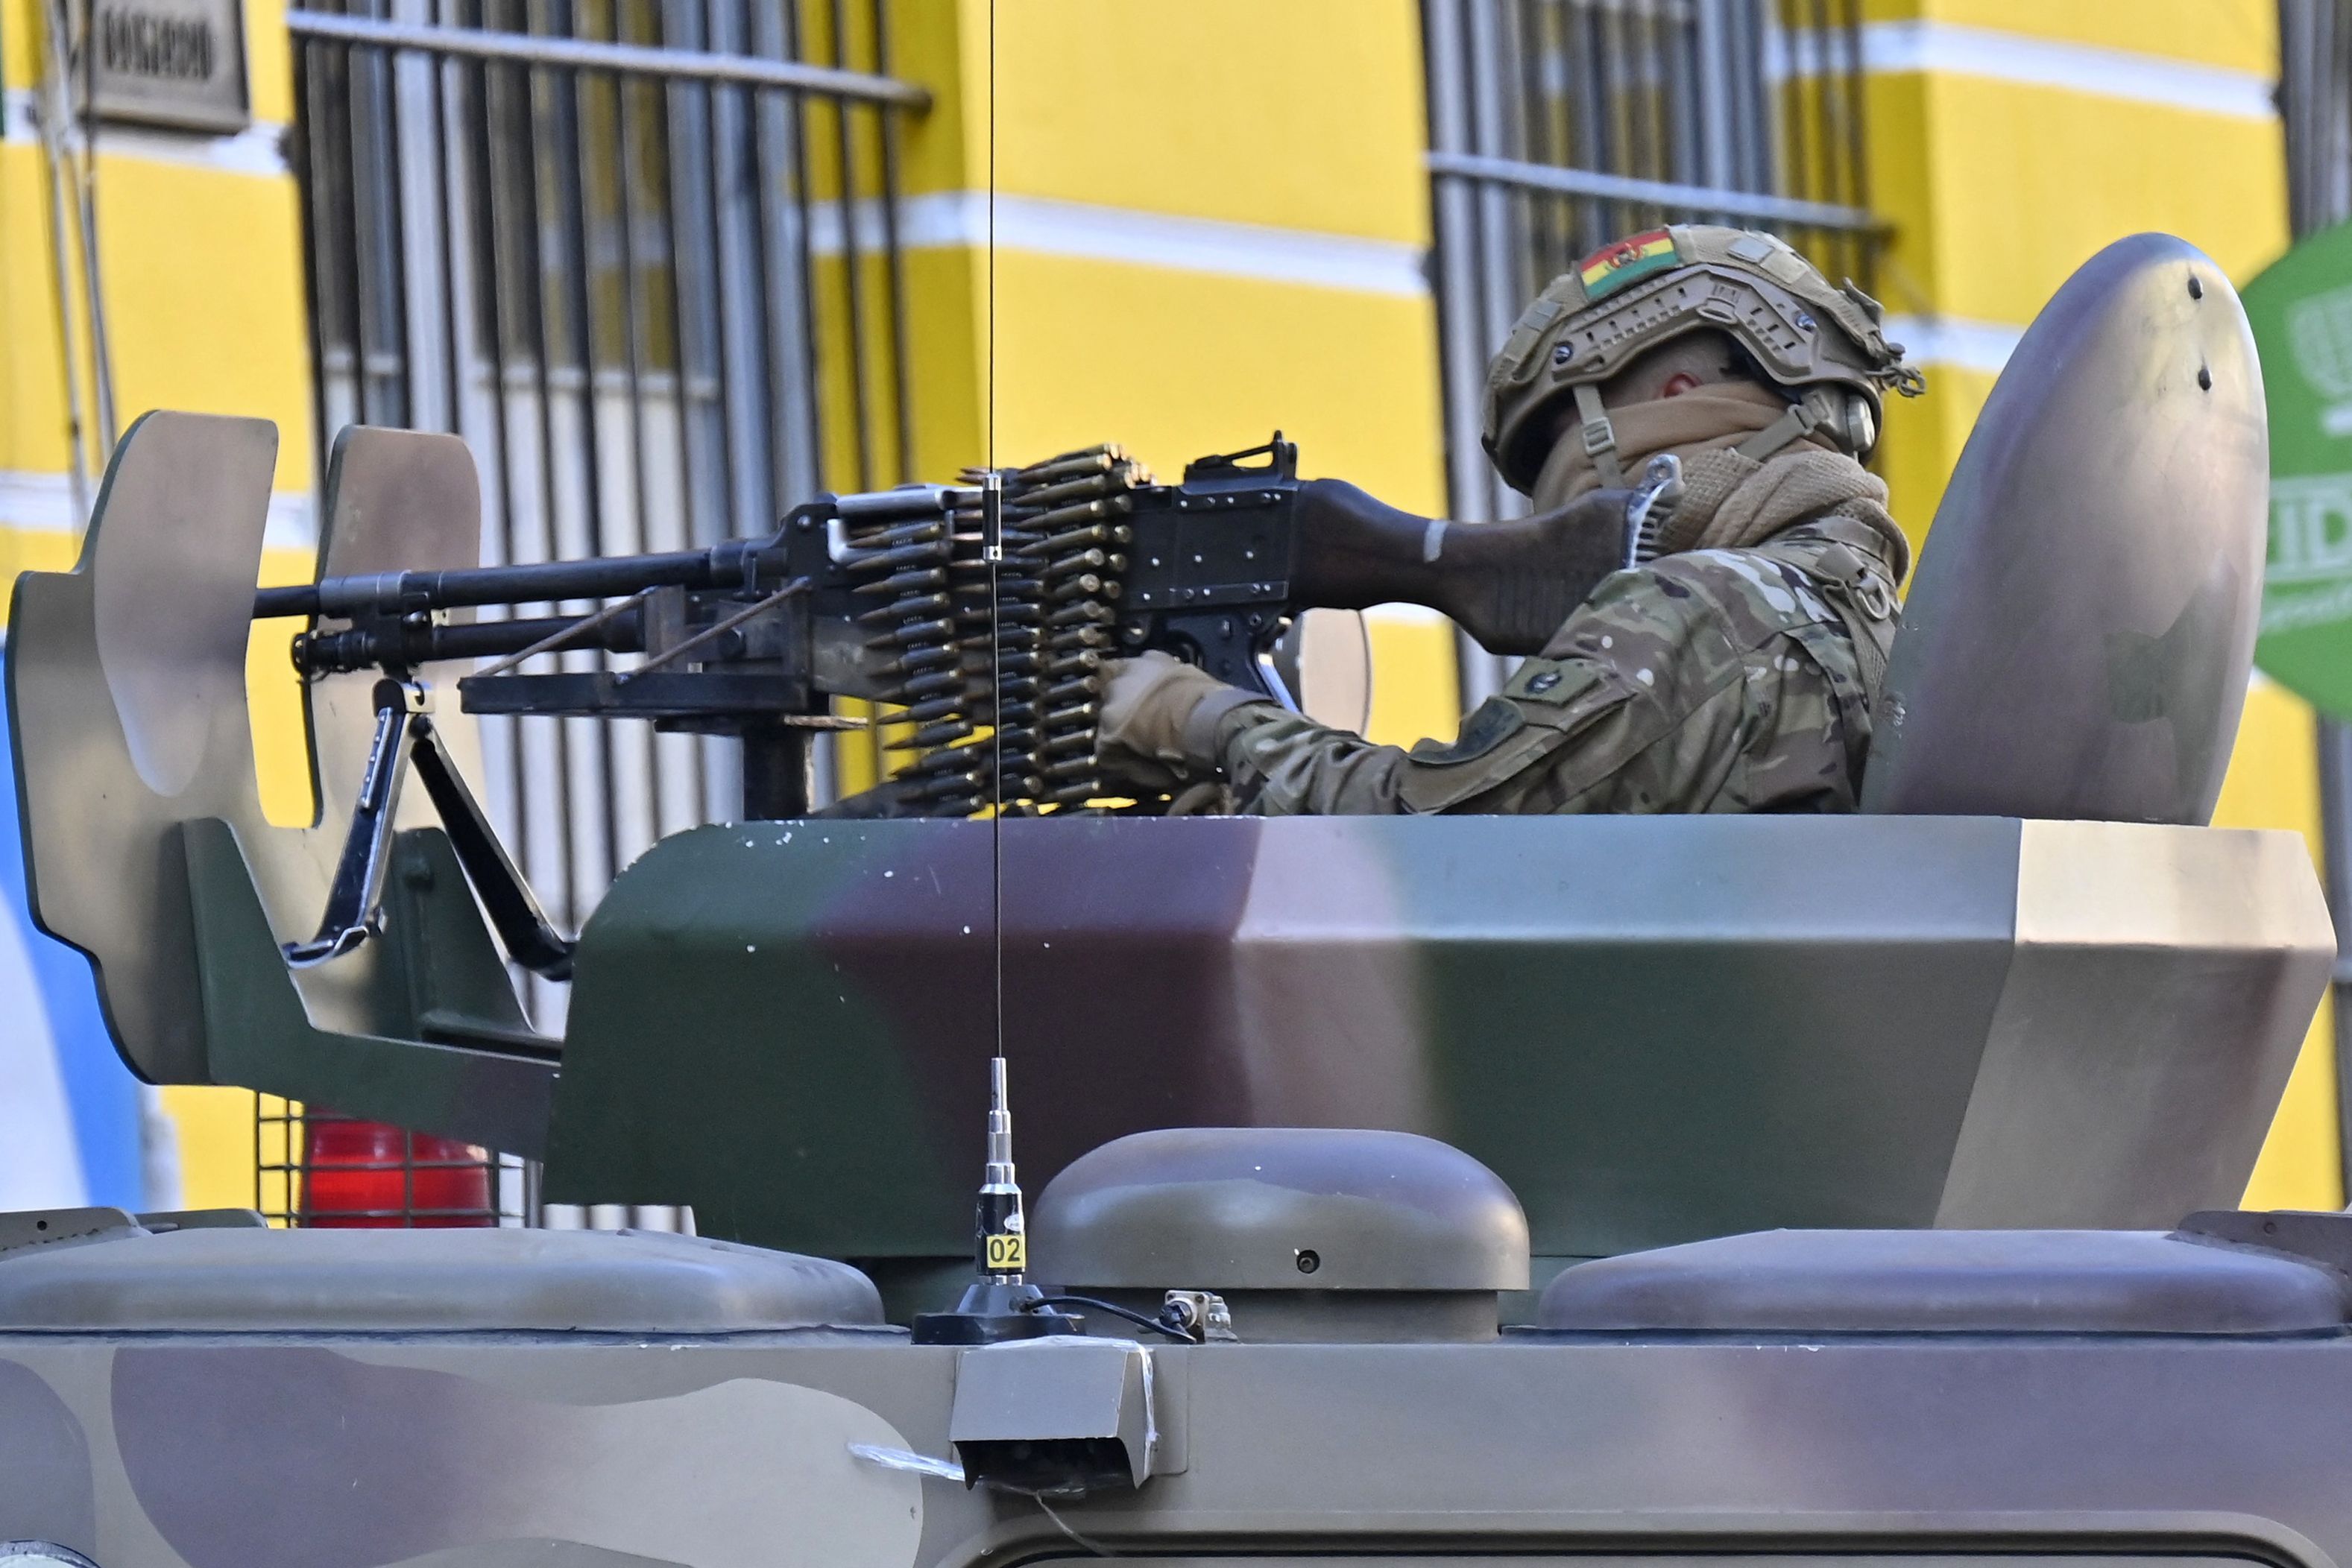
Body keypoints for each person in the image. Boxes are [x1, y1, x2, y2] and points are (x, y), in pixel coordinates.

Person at [1094, 224, 1927, 815]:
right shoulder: (1881, 624)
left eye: (1557, 443)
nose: (1555, 504)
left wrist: (1198, 718)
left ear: (1672, 402)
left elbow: (1441, 848)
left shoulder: (1703, 616)